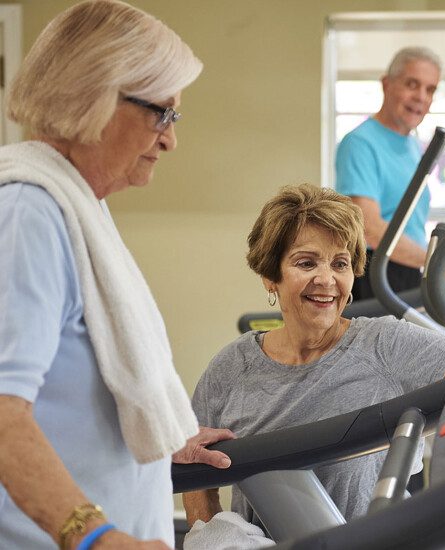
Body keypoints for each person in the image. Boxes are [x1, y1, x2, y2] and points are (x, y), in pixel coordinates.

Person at [182, 184, 445, 527]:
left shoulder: (386, 345)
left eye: (340, 263)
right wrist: (214, 538)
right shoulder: (230, 370)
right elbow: (193, 474)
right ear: (271, 276)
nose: (326, 279)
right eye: (306, 263)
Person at [0, 2, 235, 549]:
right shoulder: (28, 214)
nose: (170, 139)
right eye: (163, 113)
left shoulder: (79, 204)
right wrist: (96, 537)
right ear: (95, 96)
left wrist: (160, 432)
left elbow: (77, 381)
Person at [336, 46, 445, 301]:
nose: (421, 97)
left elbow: (409, 224)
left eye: (430, 89)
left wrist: (444, 260)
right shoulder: (360, 143)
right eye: (412, 84)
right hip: (376, 273)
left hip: (408, 270)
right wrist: (442, 266)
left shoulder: (412, 144)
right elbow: (369, 227)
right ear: (386, 84)